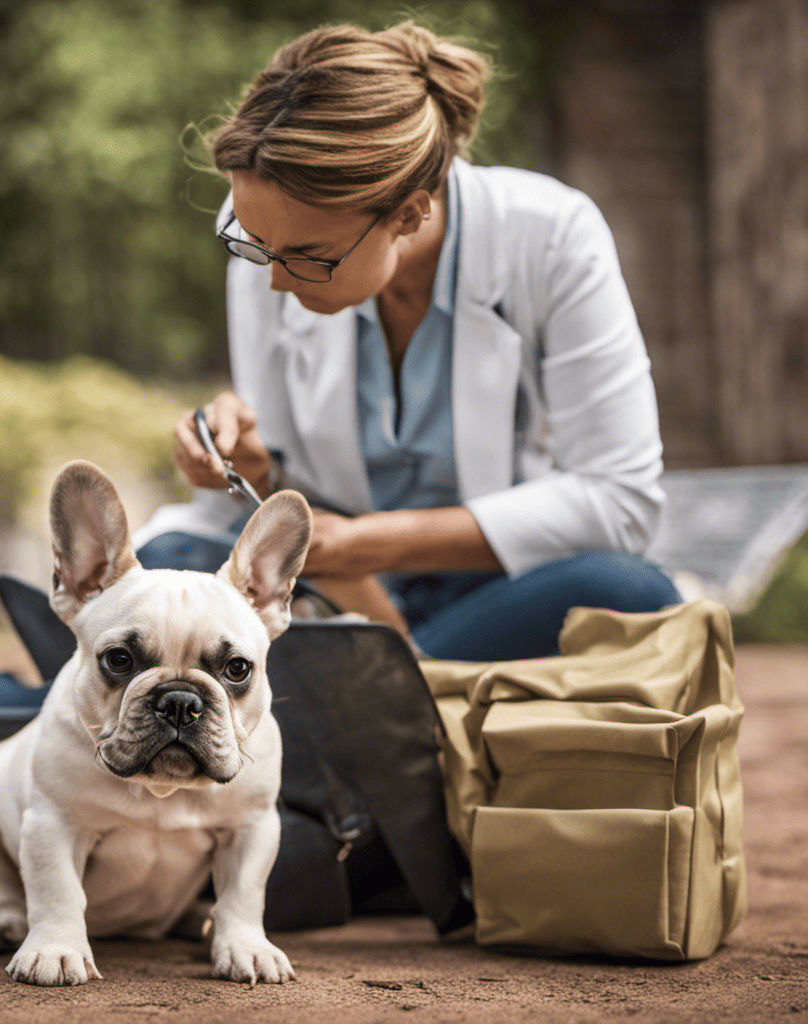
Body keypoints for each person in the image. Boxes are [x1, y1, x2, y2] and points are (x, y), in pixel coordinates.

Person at [132, 20, 680, 661]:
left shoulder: (553, 237)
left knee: (625, 591)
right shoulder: (270, 247)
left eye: (310, 256)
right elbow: (289, 506)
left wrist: (363, 545)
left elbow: (621, 501)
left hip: (496, 585)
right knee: (164, 563)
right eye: (257, 245)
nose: (274, 282)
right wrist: (252, 468)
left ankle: (376, 683)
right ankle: (408, 685)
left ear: (409, 213)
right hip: (340, 586)